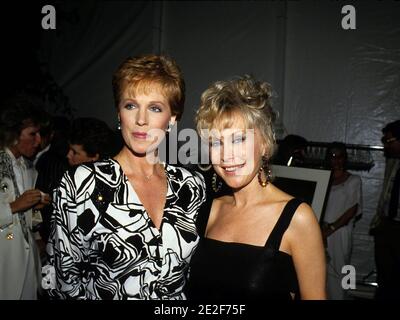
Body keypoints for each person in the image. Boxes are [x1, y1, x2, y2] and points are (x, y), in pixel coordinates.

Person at [42, 54, 206, 299]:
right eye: (130, 105)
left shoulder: (190, 186)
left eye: (155, 108)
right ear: (119, 113)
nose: (141, 119)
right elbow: (63, 279)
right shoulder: (82, 184)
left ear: (172, 118)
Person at [185, 75, 326, 300]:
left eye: (239, 139)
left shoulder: (297, 218)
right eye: (216, 142)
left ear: (265, 144)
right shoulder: (210, 210)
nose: (227, 155)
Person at [0, 94, 51, 299]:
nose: (39, 141)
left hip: (27, 260)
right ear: (13, 135)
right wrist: (13, 207)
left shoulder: (28, 168)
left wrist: (35, 208)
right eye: (33, 134)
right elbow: (12, 211)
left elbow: (25, 220)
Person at [321, 142, 362, 300]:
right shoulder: (323, 178)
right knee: (321, 271)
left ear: (344, 159)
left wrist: (330, 229)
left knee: (341, 271)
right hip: (321, 231)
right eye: (332, 156)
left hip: (340, 232)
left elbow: (352, 210)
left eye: (340, 156)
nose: (336, 160)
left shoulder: (354, 180)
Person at [370, 120, 400, 300]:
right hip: (387, 226)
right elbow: (387, 194)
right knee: (385, 275)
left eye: (390, 141)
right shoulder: (392, 162)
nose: (386, 145)